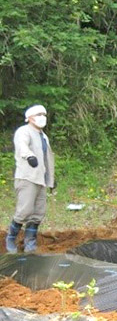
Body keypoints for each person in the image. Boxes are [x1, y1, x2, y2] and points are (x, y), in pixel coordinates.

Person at [5, 105, 55, 254]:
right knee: (25, 210)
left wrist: (51, 178)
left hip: (41, 179)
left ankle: (30, 243)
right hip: (27, 177)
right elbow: (22, 147)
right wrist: (29, 156)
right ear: (30, 117)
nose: (42, 117)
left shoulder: (44, 136)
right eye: (39, 114)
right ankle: (10, 238)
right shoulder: (24, 131)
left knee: (38, 212)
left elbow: (48, 159)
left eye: (44, 114)